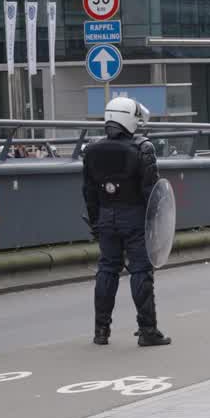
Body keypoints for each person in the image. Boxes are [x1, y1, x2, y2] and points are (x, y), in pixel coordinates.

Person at [82, 97, 171, 348]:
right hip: (134, 216)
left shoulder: (92, 150)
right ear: (129, 118)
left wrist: (95, 222)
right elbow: (151, 193)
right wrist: (155, 225)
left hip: (105, 216)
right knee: (141, 270)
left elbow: (88, 191)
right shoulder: (142, 148)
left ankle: (101, 330)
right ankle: (147, 330)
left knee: (107, 269)